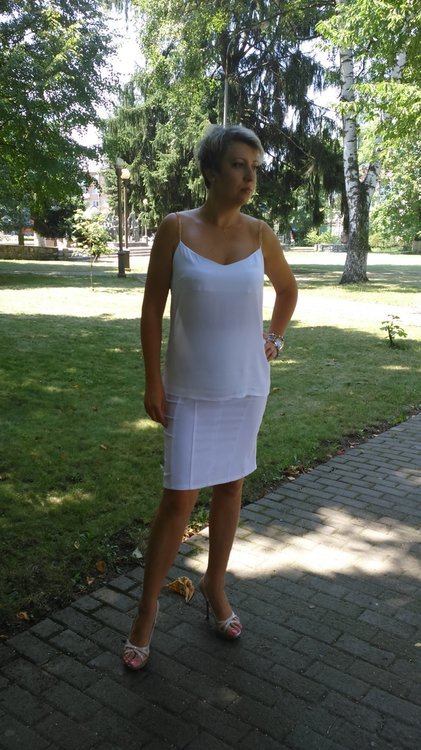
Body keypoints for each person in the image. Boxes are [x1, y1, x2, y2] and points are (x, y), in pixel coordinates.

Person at [123, 124, 298, 670]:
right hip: (188, 389)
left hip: (245, 386)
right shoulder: (175, 229)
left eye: (255, 168)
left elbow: (288, 290)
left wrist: (274, 339)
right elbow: (151, 309)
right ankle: (147, 611)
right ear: (211, 171)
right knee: (178, 499)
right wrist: (153, 380)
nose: (249, 177)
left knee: (230, 489)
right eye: (239, 165)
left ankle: (214, 587)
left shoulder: (260, 234)